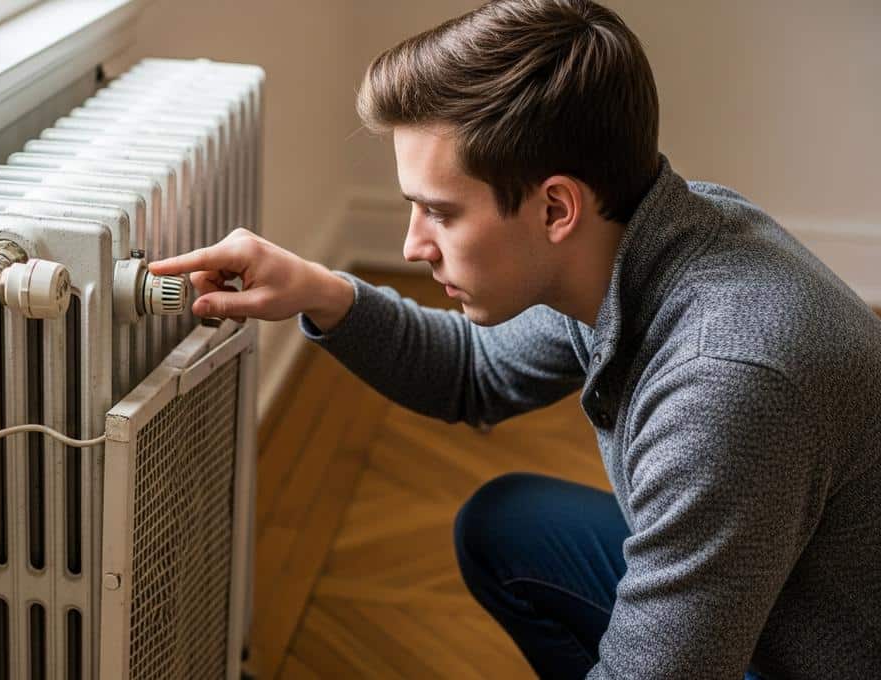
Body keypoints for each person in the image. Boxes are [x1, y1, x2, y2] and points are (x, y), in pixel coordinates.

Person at [150, 0, 881, 677]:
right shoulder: (644, 236)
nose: (413, 246)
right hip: (771, 598)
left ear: (555, 207)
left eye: (440, 212)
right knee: (505, 529)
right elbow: (474, 372)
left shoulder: (726, 381)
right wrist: (319, 291)